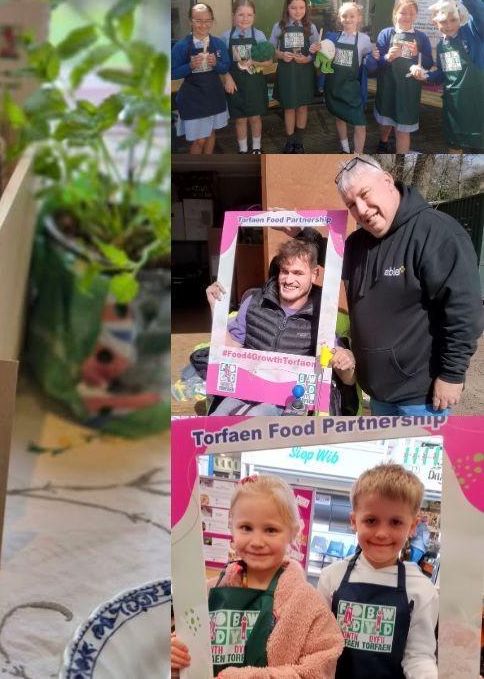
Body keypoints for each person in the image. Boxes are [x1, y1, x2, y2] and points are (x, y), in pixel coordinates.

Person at [335, 154, 482, 414]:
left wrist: (451, 375)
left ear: (388, 181)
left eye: (365, 194)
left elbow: (464, 312)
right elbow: (330, 257)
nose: (361, 209)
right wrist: (303, 234)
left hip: (421, 398)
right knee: (385, 457)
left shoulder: (437, 233)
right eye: (351, 205)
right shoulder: (357, 243)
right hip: (378, 393)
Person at [171, 474, 344, 677]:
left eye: (270, 530)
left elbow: (319, 669)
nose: (257, 541)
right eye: (246, 528)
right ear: (231, 527)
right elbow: (186, 654)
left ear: (292, 533)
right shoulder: (206, 594)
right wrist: (176, 660)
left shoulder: (309, 605)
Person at [205, 235, 356, 415]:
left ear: (314, 274)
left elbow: (347, 380)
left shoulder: (323, 315)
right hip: (245, 390)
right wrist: (217, 309)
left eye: (298, 273)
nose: (288, 280)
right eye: (285, 271)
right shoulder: (254, 302)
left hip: (288, 402)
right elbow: (229, 348)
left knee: (256, 420)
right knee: (216, 420)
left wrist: (346, 361)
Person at [317, 464, 438, 678]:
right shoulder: (331, 577)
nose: (382, 533)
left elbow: (419, 656)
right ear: (354, 521)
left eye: (395, 522)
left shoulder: (421, 589)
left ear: (412, 526)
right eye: (371, 520)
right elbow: (319, 647)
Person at [413, 0, 484, 154]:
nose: (449, 25)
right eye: (443, 21)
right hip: (454, 108)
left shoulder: (473, 32)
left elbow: (480, 13)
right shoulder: (443, 46)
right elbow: (444, 75)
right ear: (435, 23)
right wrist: (425, 76)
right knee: (454, 146)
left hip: (478, 105)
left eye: (453, 20)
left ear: (460, 18)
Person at [372, 0, 434, 155]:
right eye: (403, 13)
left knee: (403, 129)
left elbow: (428, 63)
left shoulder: (421, 37)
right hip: (388, 87)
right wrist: (387, 57)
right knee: (386, 122)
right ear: (395, 13)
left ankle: (401, 162)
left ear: (416, 16)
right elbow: (377, 64)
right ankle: (383, 141)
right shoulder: (386, 34)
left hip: (409, 90)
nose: (407, 17)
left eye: (411, 13)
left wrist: (417, 53)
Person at [172, 3, 230, 154]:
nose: (203, 25)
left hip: (214, 96)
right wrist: (189, 66)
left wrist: (216, 64)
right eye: (198, 21)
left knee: (211, 133)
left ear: (212, 21)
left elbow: (225, 68)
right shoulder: (182, 46)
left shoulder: (218, 44)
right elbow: (173, 73)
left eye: (207, 20)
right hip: (193, 99)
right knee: (199, 139)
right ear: (190, 21)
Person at [269, 0, 321, 153]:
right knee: (289, 108)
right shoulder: (279, 26)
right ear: (287, 9)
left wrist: (308, 58)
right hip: (286, 72)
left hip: (304, 72)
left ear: (306, 8)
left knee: (302, 107)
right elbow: (271, 50)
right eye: (293, 8)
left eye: (301, 7)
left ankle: (299, 141)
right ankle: (290, 140)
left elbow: (316, 52)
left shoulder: (311, 27)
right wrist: (281, 54)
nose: (298, 11)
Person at [321, 2, 374, 155]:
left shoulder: (364, 39)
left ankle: (358, 154)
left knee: (360, 124)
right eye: (344, 16)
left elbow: (369, 60)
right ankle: (344, 149)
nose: (348, 19)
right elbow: (322, 57)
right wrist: (315, 49)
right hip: (334, 86)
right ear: (339, 18)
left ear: (359, 18)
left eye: (352, 16)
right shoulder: (332, 37)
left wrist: (374, 56)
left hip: (351, 89)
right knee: (339, 117)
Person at [222, 0, 272, 154]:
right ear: (233, 15)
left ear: (254, 16)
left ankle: (256, 147)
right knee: (240, 119)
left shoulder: (259, 35)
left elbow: (269, 61)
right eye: (241, 14)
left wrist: (254, 62)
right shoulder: (225, 37)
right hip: (235, 84)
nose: (245, 18)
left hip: (254, 83)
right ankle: (243, 150)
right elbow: (221, 64)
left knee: (255, 117)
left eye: (249, 15)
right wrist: (226, 78)